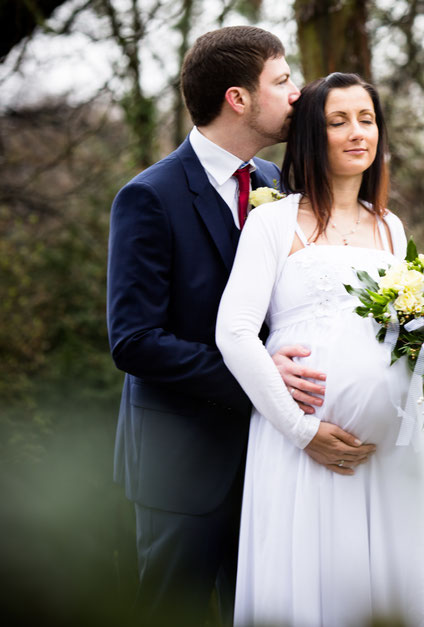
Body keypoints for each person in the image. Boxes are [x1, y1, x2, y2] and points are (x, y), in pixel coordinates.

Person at [107, 27, 375, 624]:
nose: (297, 93)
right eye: (281, 82)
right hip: (183, 465)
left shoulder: (278, 187)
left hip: (271, 457)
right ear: (238, 99)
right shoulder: (149, 197)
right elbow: (134, 341)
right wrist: (260, 378)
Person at [216, 72, 424, 626]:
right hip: (304, 450)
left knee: (396, 590)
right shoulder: (273, 222)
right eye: (338, 120)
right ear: (310, 136)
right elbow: (233, 332)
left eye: (367, 119)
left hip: (395, 454)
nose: (357, 133)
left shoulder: (391, 228)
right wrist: (302, 432)